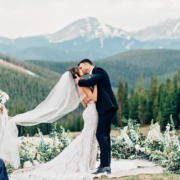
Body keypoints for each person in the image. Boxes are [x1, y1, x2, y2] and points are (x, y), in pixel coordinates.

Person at [9, 67, 99, 180]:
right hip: (92, 112)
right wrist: (96, 85)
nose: (82, 70)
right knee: (90, 138)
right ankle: (88, 164)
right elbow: (91, 99)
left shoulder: (76, 87)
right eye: (79, 69)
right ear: (77, 74)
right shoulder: (82, 84)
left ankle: (88, 163)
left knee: (88, 138)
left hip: (88, 112)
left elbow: (84, 102)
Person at [74, 59, 118, 175]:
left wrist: (79, 81)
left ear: (86, 64)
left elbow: (90, 82)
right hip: (105, 108)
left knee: (100, 134)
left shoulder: (99, 71)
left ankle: (104, 166)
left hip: (108, 107)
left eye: (81, 67)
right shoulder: (95, 74)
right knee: (105, 136)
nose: (81, 70)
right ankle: (106, 165)